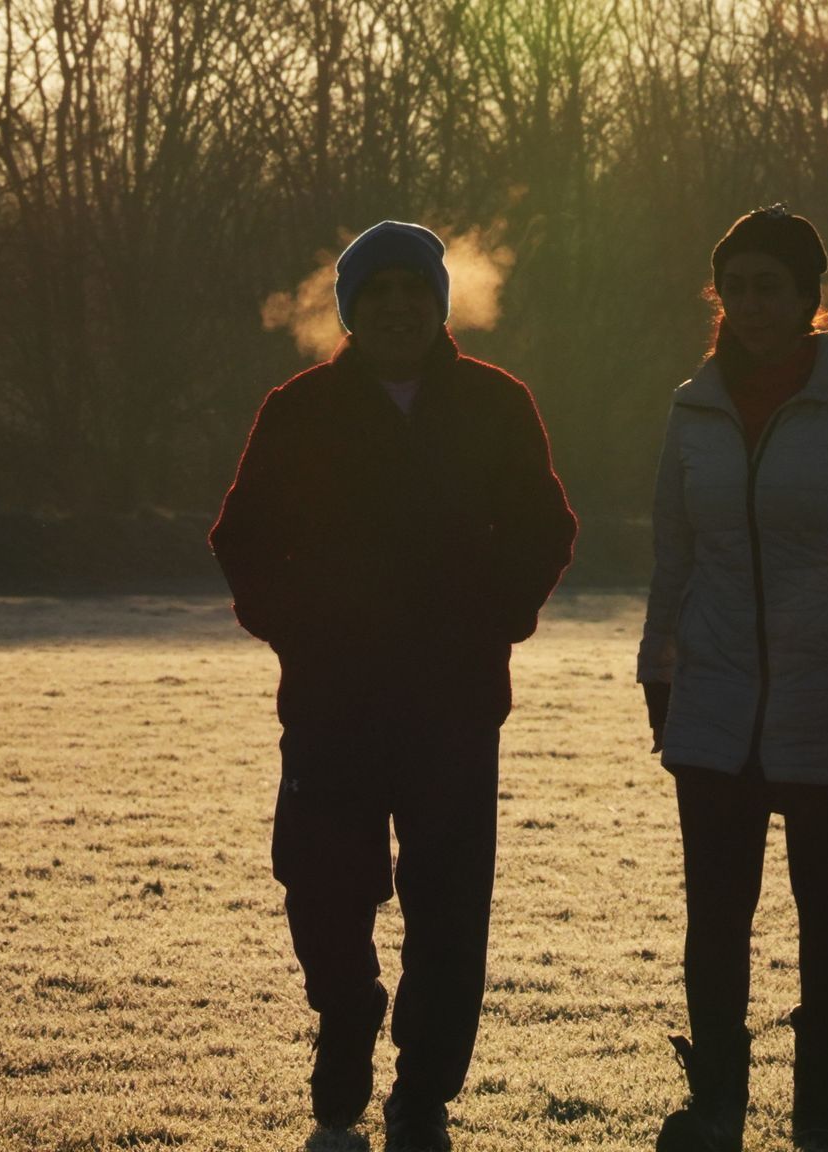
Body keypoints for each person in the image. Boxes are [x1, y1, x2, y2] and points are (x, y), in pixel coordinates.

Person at [210, 220, 577, 1151]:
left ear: (439, 304)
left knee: (451, 906)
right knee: (321, 888)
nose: (400, 308)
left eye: (416, 291)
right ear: (352, 311)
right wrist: (299, 631)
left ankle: (424, 1091)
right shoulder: (298, 411)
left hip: (455, 705)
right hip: (332, 704)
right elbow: (242, 540)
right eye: (379, 295)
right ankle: (347, 1015)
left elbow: (545, 527)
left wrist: (496, 620)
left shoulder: (497, 405)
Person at [637, 205, 828, 1152]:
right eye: (739, 285)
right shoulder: (691, 408)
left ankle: (819, 1104)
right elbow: (672, 554)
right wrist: (658, 666)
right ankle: (717, 1103)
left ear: (811, 299)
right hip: (714, 696)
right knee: (715, 913)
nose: (754, 303)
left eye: (775, 286)